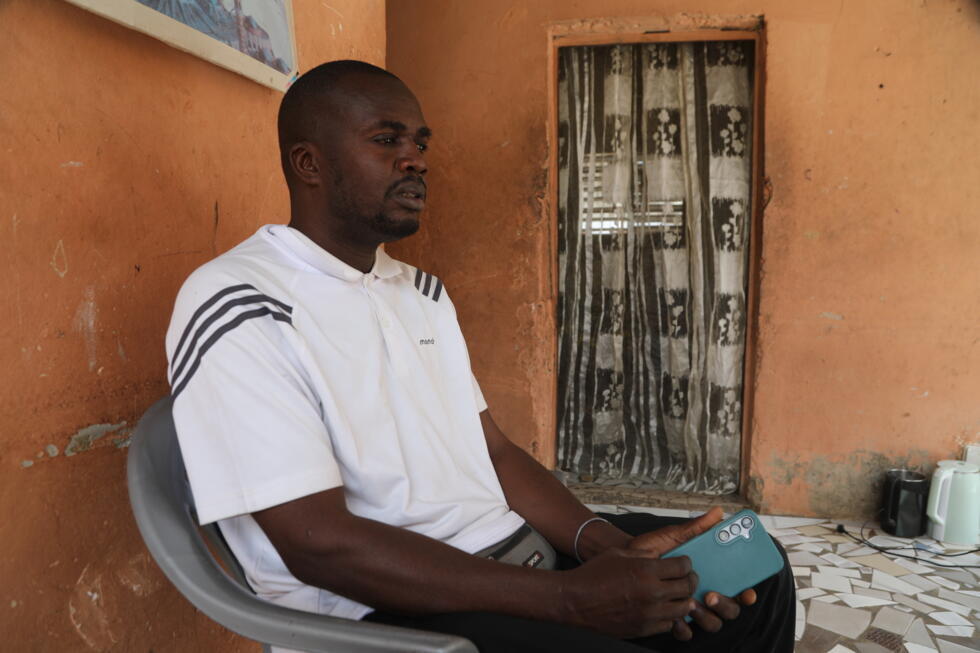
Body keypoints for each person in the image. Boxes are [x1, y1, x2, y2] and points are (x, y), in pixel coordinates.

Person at [165, 60, 795, 653]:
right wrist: (571, 600)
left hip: (513, 562)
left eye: (420, 143)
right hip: (386, 614)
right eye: (386, 141)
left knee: (754, 578)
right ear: (309, 162)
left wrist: (602, 544)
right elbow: (318, 545)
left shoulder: (421, 294)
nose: (415, 160)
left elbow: (490, 452)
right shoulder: (240, 301)